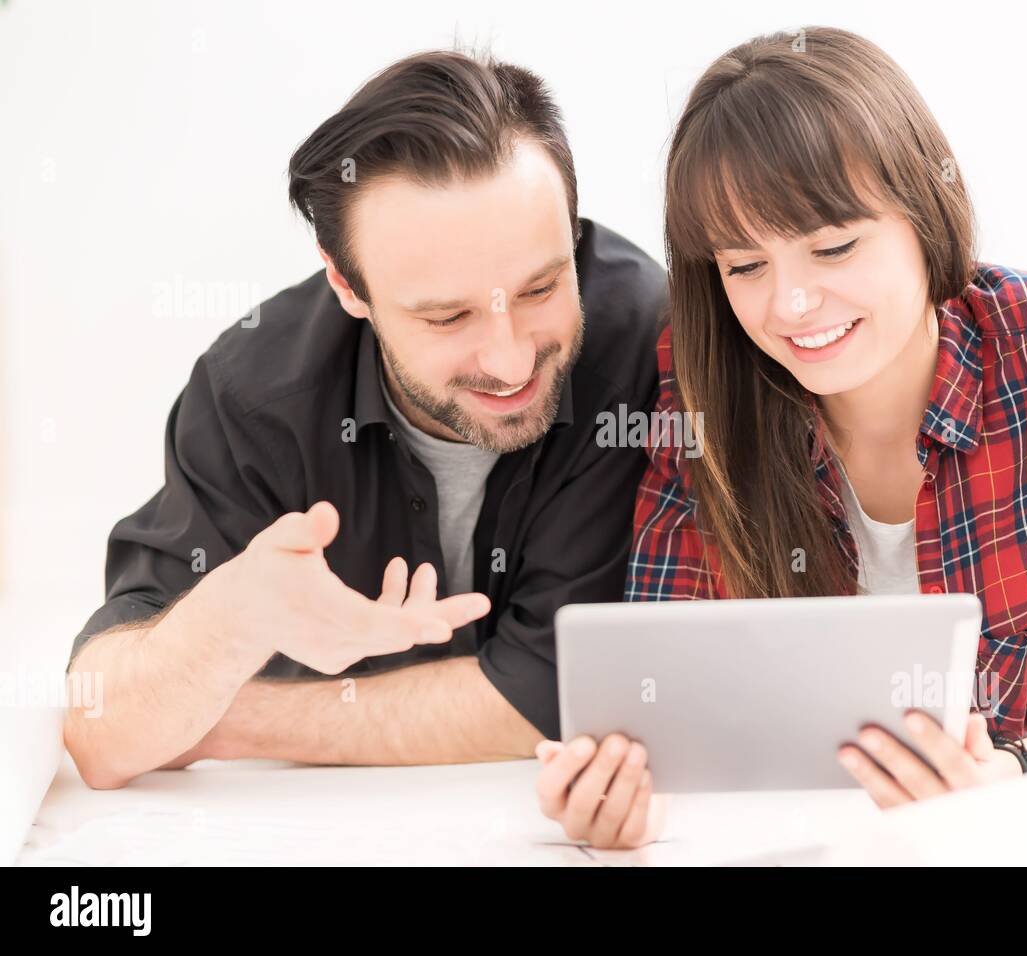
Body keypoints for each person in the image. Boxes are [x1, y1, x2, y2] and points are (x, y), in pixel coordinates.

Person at [535, 26, 1027, 849]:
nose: (791, 304)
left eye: (833, 247)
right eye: (745, 266)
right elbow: (661, 673)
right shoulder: (703, 382)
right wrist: (616, 792)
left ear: (923, 215)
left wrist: (1004, 776)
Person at [64, 50, 665, 789]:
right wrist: (232, 619)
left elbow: (551, 694)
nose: (511, 364)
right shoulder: (254, 393)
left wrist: (229, 719)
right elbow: (101, 730)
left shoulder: (648, 349)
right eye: (448, 317)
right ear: (348, 285)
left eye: (540, 288)